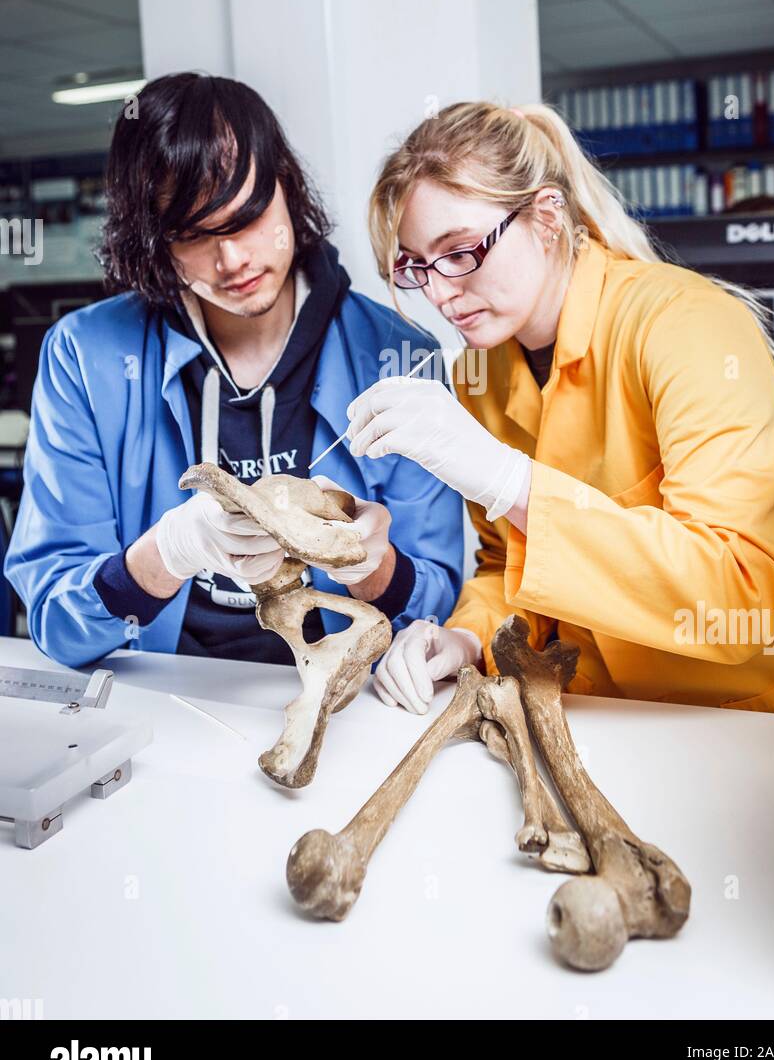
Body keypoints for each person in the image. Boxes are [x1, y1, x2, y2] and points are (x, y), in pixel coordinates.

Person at [348, 100, 774, 717]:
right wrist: (464, 637)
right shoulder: (481, 374)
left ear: (546, 215)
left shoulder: (687, 324)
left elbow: (738, 592)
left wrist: (511, 482)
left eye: (460, 251)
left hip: (744, 716)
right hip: (600, 714)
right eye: (416, 266)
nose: (439, 292)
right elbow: (507, 566)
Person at [4, 73, 463, 669]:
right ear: (152, 241)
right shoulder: (85, 357)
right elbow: (54, 620)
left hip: (347, 700)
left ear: (287, 186)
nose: (232, 260)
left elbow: (437, 612)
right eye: (193, 235)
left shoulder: (399, 355)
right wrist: (166, 554)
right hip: (165, 695)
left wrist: (373, 568)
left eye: (246, 218)